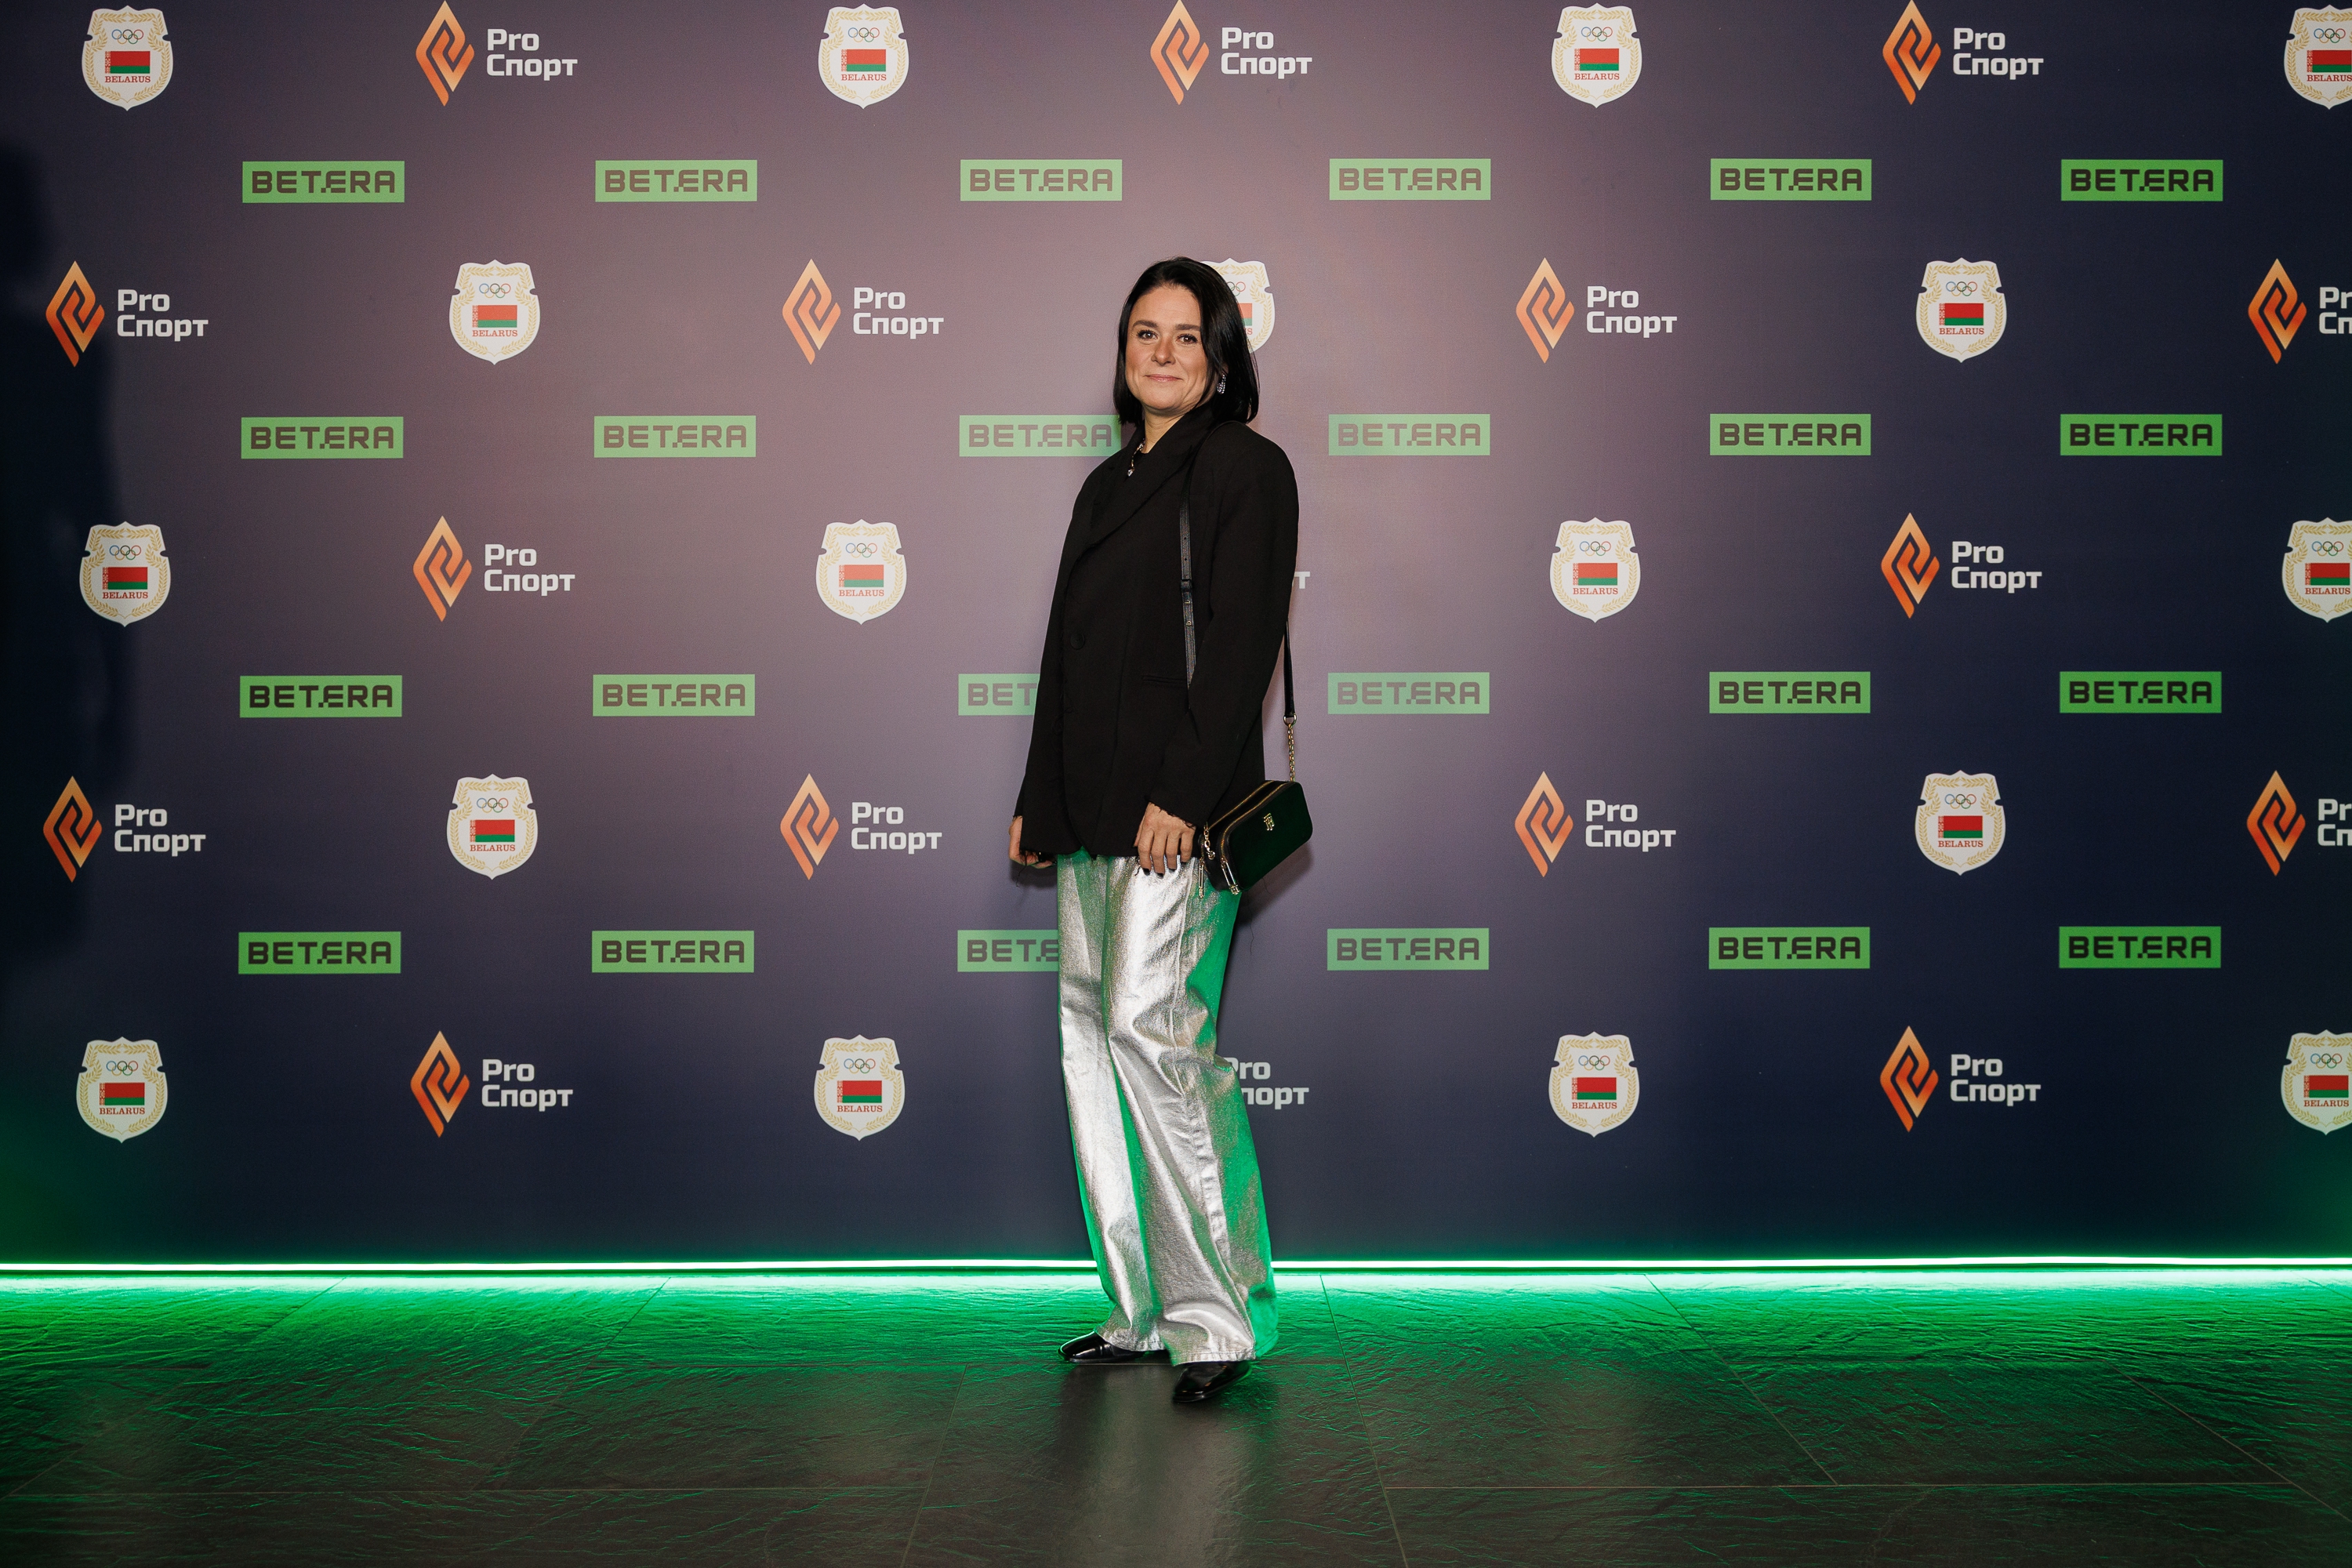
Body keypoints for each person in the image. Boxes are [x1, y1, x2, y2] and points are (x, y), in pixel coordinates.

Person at [1007, 257, 1299, 1405]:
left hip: (1177, 814)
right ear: (1123, 352)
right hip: (1090, 809)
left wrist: (1181, 792)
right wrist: (1039, 795)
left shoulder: (1246, 467)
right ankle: (1137, 1308)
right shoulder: (1105, 482)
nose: (1163, 352)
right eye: (1145, 332)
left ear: (1222, 357)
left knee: (1154, 1034)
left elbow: (1240, 647)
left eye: (1187, 335)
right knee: (1091, 1040)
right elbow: (1064, 653)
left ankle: (1218, 1319)